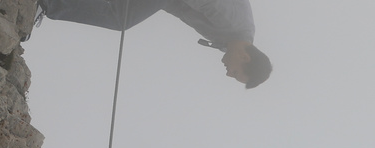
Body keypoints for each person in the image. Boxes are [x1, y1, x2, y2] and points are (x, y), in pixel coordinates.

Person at [34, 0, 271, 88]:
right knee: (121, 17)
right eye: (236, 73)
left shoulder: (228, 38)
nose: (229, 74)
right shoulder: (233, 22)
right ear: (245, 57)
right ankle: (48, 3)